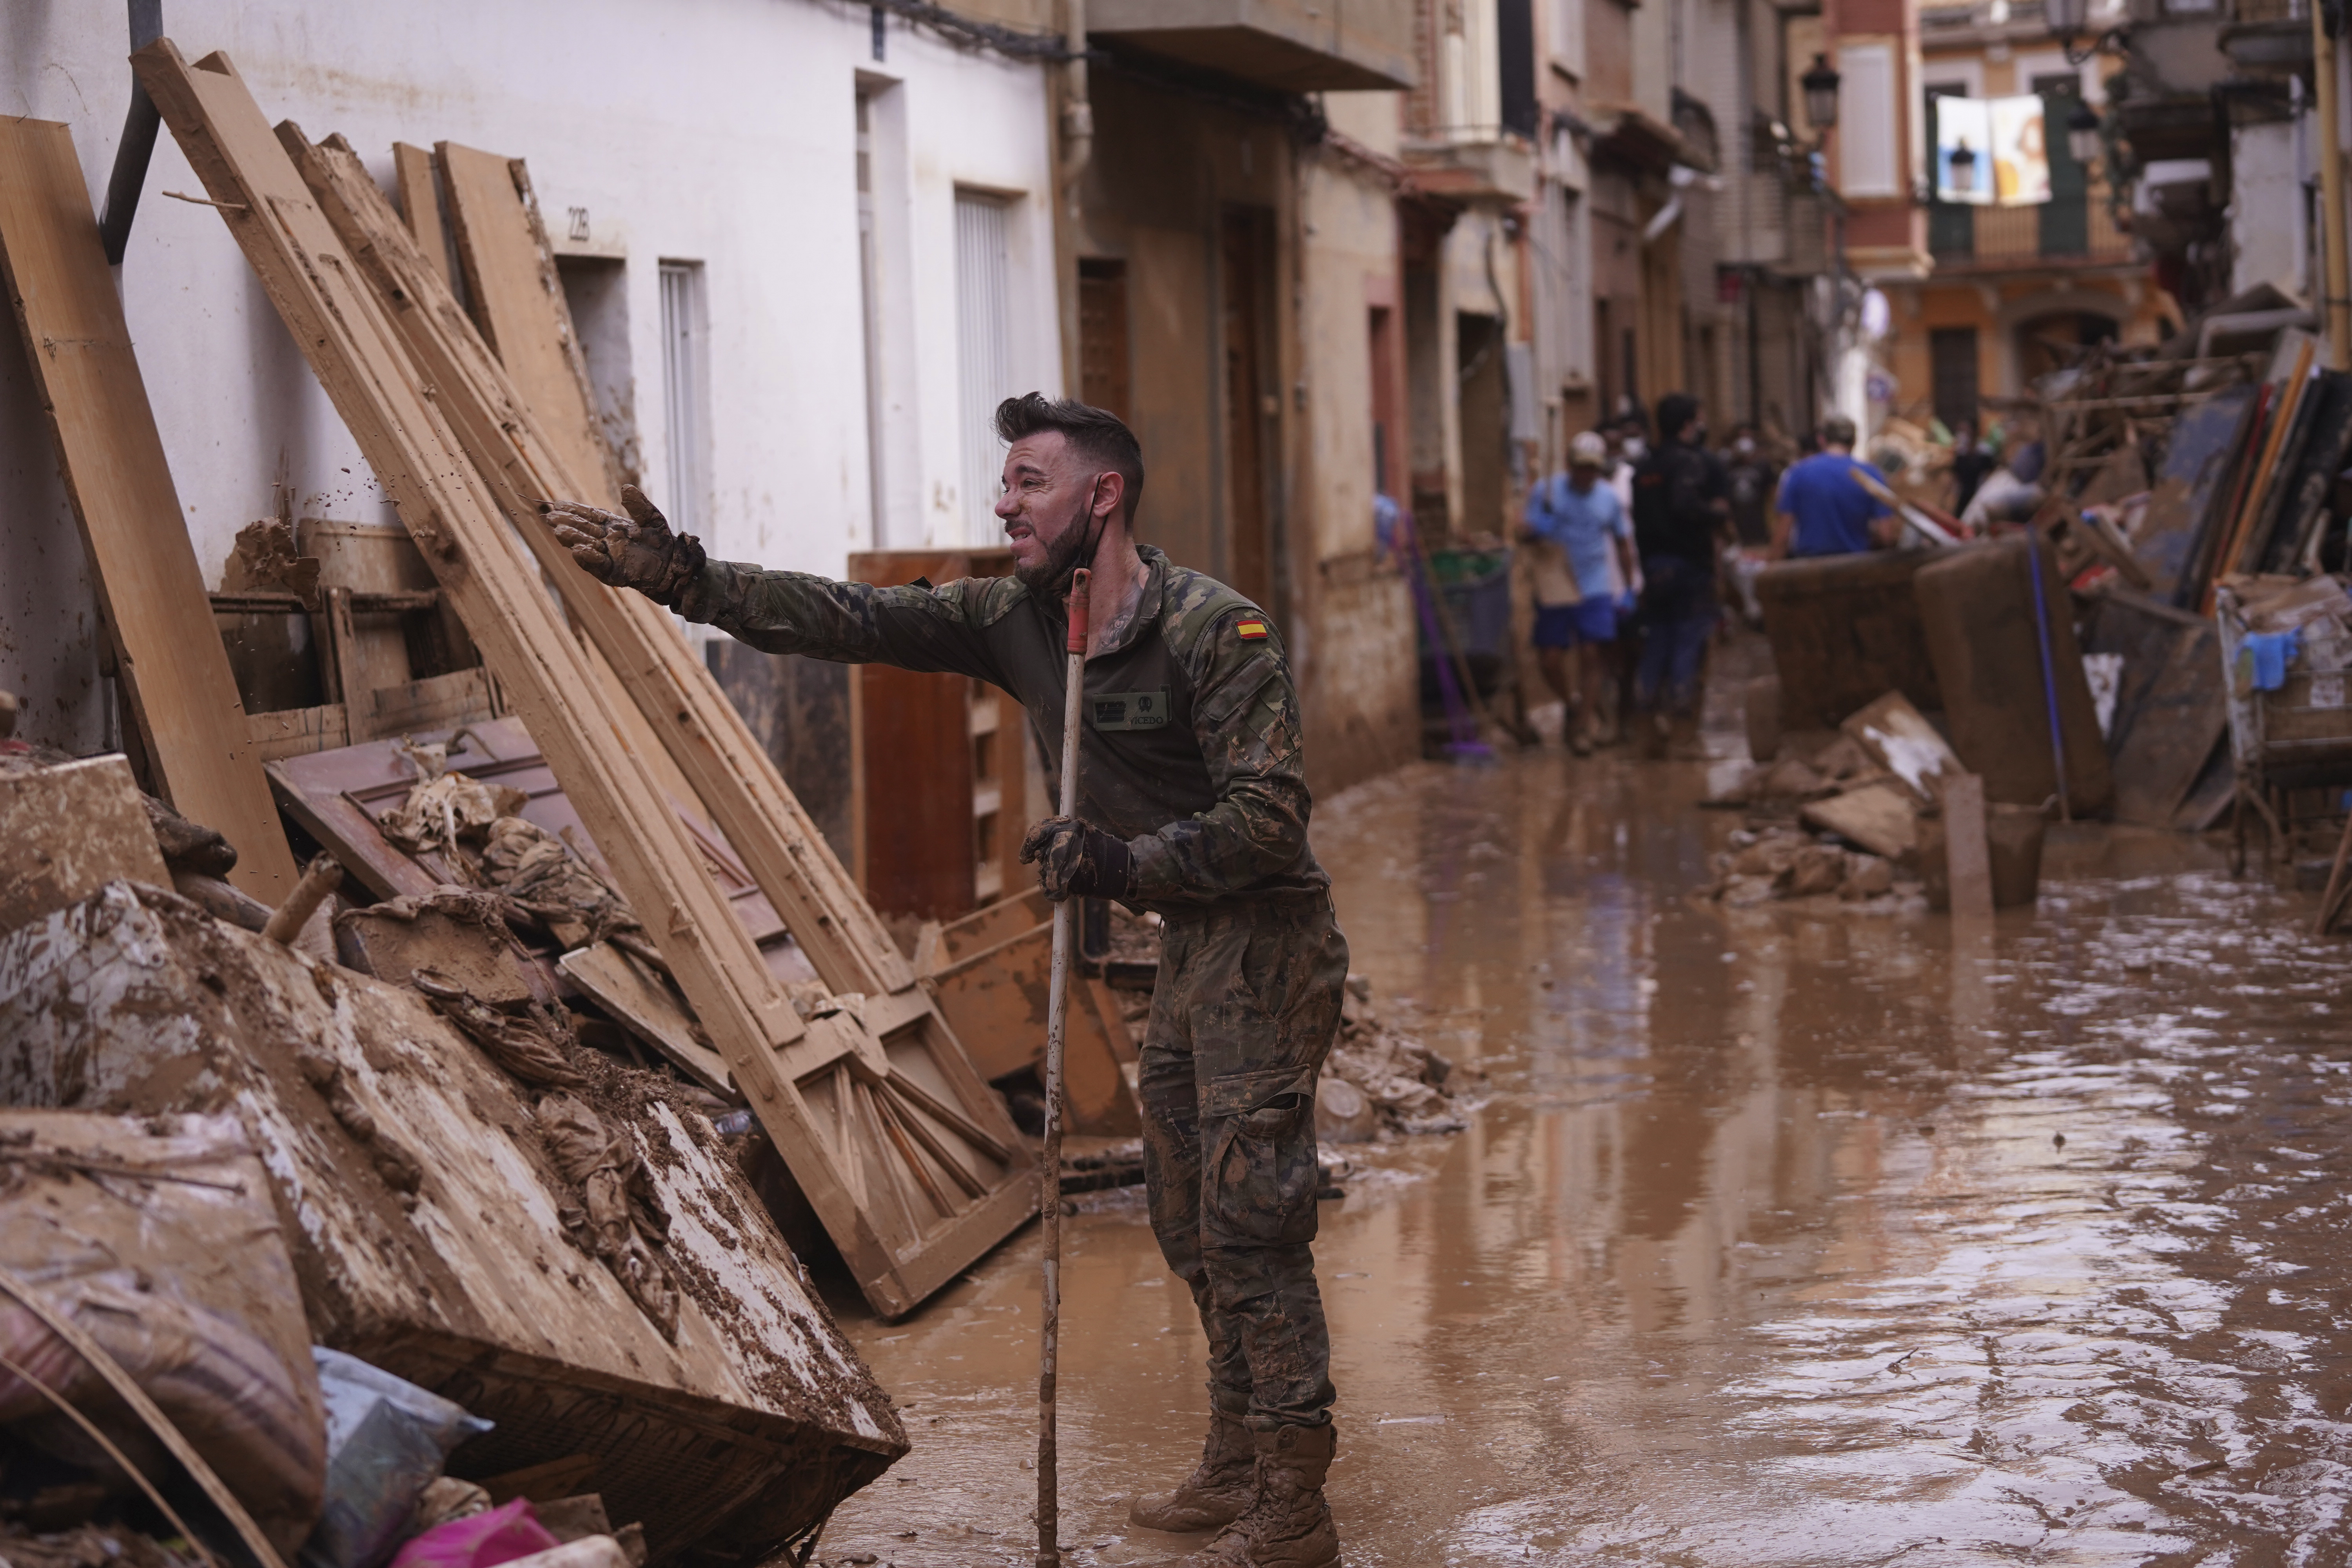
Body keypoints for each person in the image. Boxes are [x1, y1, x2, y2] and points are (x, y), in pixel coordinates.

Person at [543, 394, 1349, 1568]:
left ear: (1101, 496)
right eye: (1006, 482)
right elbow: (850, 616)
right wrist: (686, 581)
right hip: (1187, 942)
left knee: (1249, 1215)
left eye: (1028, 482)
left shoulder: (1213, 633)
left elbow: (1271, 817)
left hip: (1264, 941)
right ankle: (1235, 1450)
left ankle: (1294, 1499)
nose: (1002, 504)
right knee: (1185, 1214)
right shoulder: (1016, 616)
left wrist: (1129, 859)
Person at [1522, 430, 1638, 754]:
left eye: (1591, 469)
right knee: (1550, 659)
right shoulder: (1546, 491)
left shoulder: (1608, 500)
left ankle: (1583, 727)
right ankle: (1571, 703)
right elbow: (1525, 532)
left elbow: (1622, 543)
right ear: (1569, 465)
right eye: (1579, 467)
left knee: (1591, 654)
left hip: (1595, 585)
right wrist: (1537, 529)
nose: (1584, 475)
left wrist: (1628, 588)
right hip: (1556, 582)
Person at [1630, 393, 1731, 746]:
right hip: (1689, 565)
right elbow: (1689, 507)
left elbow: (1638, 523)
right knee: (1689, 641)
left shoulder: (1644, 468)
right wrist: (1718, 512)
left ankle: (1644, 723)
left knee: (1657, 639)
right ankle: (1683, 726)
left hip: (1654, 567)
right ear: (1690, 424)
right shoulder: (1697, 464)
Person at [1770, 412, 1897, 559]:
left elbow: (1783, 535)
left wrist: (1770, 569)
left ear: (1821, 440)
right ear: (1854, 441)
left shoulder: (1798, 474)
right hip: (1856, 568)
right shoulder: (1871, 475)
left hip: (1809, 569)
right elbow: (1886, 535)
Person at [1949, 419, 1997, 515]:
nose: (1962, 435)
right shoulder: (1961, 454)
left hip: (1980, 496)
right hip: (1963, 495)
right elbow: (1956, 476)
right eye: (1960, 431)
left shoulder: (1986, 453)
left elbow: (1991, 475)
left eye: (1965, 431)